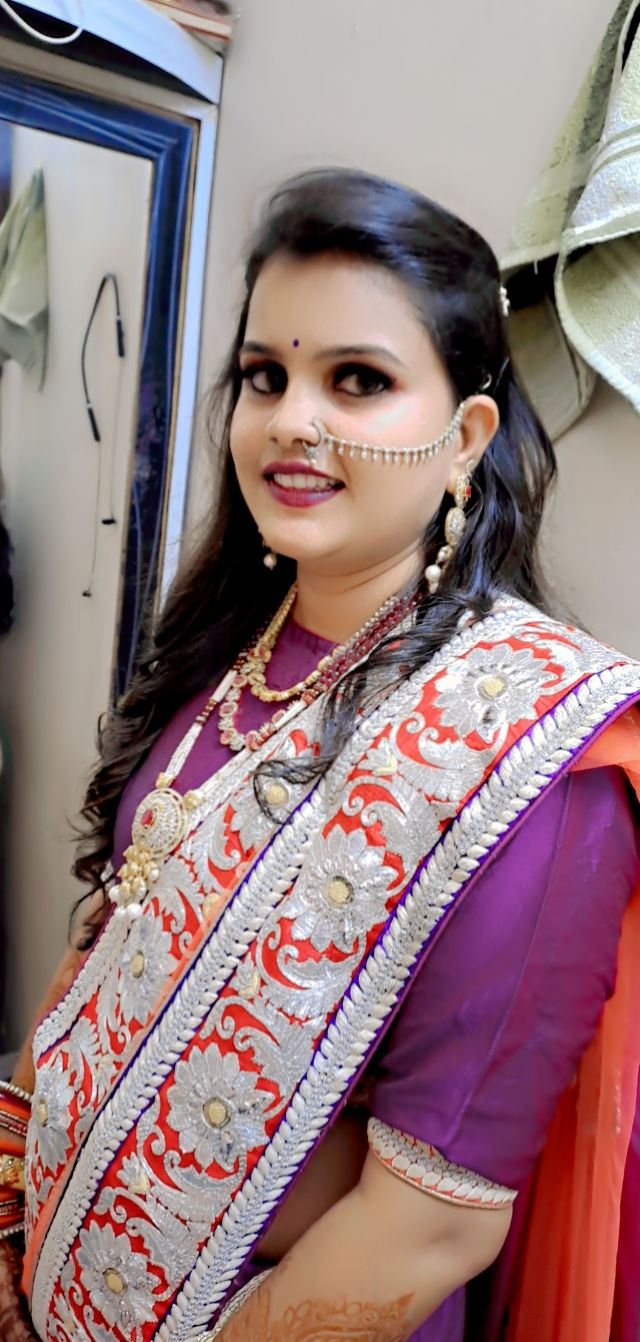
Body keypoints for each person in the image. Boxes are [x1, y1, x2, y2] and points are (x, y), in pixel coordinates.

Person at [1, 168, 639, 1342]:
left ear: (464, 438)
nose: (292, 420)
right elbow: (119, 929)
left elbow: (430, 1226)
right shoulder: (232, 644)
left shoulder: (532, 751)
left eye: (358, 379)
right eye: (265, 376)